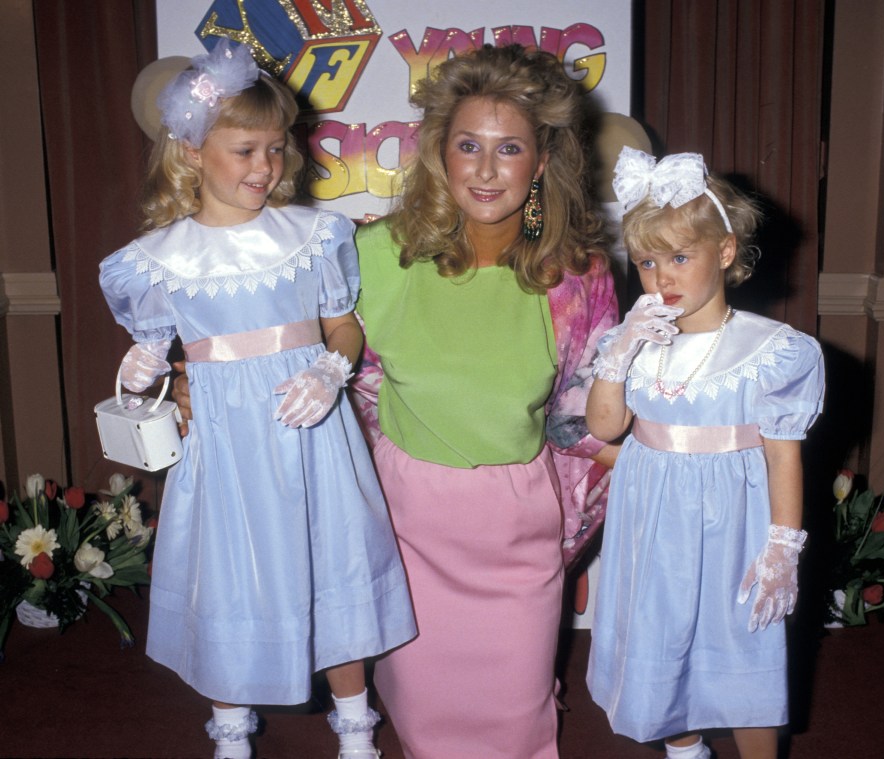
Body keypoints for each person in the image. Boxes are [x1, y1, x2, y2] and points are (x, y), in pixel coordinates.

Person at [100, 40, 416, 759]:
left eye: (276, 149)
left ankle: (357, 726)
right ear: (191, 152)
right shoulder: (158, 258)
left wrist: (331, 371)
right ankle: (232, 729)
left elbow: (342, 324)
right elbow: (160, 346)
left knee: (330, 559)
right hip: (226, 444)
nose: (265, 167)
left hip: (309, 432)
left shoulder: (311, 234)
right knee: (231, 575)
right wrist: (147, 359)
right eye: (245, 150)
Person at [346, 44, 621, 759]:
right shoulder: (378, 254)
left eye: (509, 148)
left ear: (540, 160)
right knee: (424, 713)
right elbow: (340, 380)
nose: (488, 169)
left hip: (520, 524)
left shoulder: (575, 272)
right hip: (407, 520)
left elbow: (589, 417)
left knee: (515, 714)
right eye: (468, 145)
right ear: (440, 151)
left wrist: (564, 520)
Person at [585, 148, 825, 759]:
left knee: (741, 648)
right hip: (652, 521)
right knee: (658, 642)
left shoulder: (770, 350)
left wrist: (782, 546)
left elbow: (782, 456)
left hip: (732, 525)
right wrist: (618, 356)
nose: (662, 278)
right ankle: (685, 748)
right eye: (646, 262)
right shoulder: (632, 341)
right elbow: (605, 425)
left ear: (723, 253)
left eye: (680, 257)